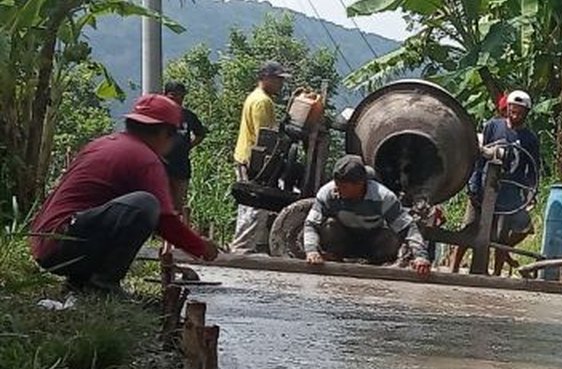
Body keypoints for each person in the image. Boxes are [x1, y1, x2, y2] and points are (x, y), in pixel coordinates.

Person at [28, 94, 220, 295]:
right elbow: (165, 221)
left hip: (48, 242)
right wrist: (201, 247)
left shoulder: (103, 144)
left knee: (129, 208)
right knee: (145, 205)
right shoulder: (145, 159)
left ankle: (80, 282)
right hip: (63, 244)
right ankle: (102, 286)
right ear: (165, 133)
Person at [453, 89, 540, 275]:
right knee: (470, 227)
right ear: (507, 108)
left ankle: (497, 273)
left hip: (509, 192)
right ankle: (454, 268)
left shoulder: (530, 139)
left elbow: (533, 169)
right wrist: (474, 184)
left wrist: (530, 192)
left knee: (501, 236)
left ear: (526, 113)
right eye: (512, 109)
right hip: (484, 186)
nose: (515, 113)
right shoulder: (493, 126)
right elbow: (479, 156)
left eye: (520, 110)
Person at [303, 155, 432, 276]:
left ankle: (377, 266)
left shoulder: (383, 197)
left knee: (391, 236)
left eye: (343, 186)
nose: (337, 189)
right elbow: (311, 224)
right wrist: (311, 251)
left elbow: (407, 227)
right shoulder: (328, 193)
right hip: (344, 239)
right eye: (336, 184)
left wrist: (420, 256)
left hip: (373, 241)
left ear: (360, 184)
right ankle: (335, 260)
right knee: (329, 226)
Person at [231, 60, 290, 254]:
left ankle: (242, 247)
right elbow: (264, 137)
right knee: (254, 206)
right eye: (278, 79)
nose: (281, 84)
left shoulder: (256, 97)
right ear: (265, 78)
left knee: (249, 208)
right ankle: (242, 249)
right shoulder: (262, 102)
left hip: (244, 158)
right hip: (253, 162)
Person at [162, 81, 207, 222]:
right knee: (163, 203)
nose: (177, 99)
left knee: (179, 204)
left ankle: (177, 239)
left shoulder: (188, 116)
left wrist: (188, 146)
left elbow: (200, 134)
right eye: (173, 96)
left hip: (181, 165)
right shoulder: (159, 116)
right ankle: (164, 241)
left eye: (181, 96)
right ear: (165, 96)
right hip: (161, 165)